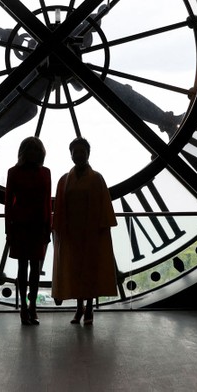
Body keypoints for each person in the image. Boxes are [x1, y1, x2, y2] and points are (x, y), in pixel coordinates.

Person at [51, 137, 118, 325]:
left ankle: (81, 308)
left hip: (74, 233)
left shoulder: (65, 180)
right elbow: (104, 207)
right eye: (77, 152)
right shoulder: (96, 178)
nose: (79, 155)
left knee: (75, 271)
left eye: (81, 151)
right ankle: (87, 308)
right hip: (90, 232)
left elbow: (59, 210)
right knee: (89, 271)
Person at [5, 136, 52, 325]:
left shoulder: (13, 173)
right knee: (34, 270)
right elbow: (47, 202)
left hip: (20, 225)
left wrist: (9, 229)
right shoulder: (46, 173)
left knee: (22, 269)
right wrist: (48, 227)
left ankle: (24, 307)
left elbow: (8, 204)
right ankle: (32, 306)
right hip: (38, 226)